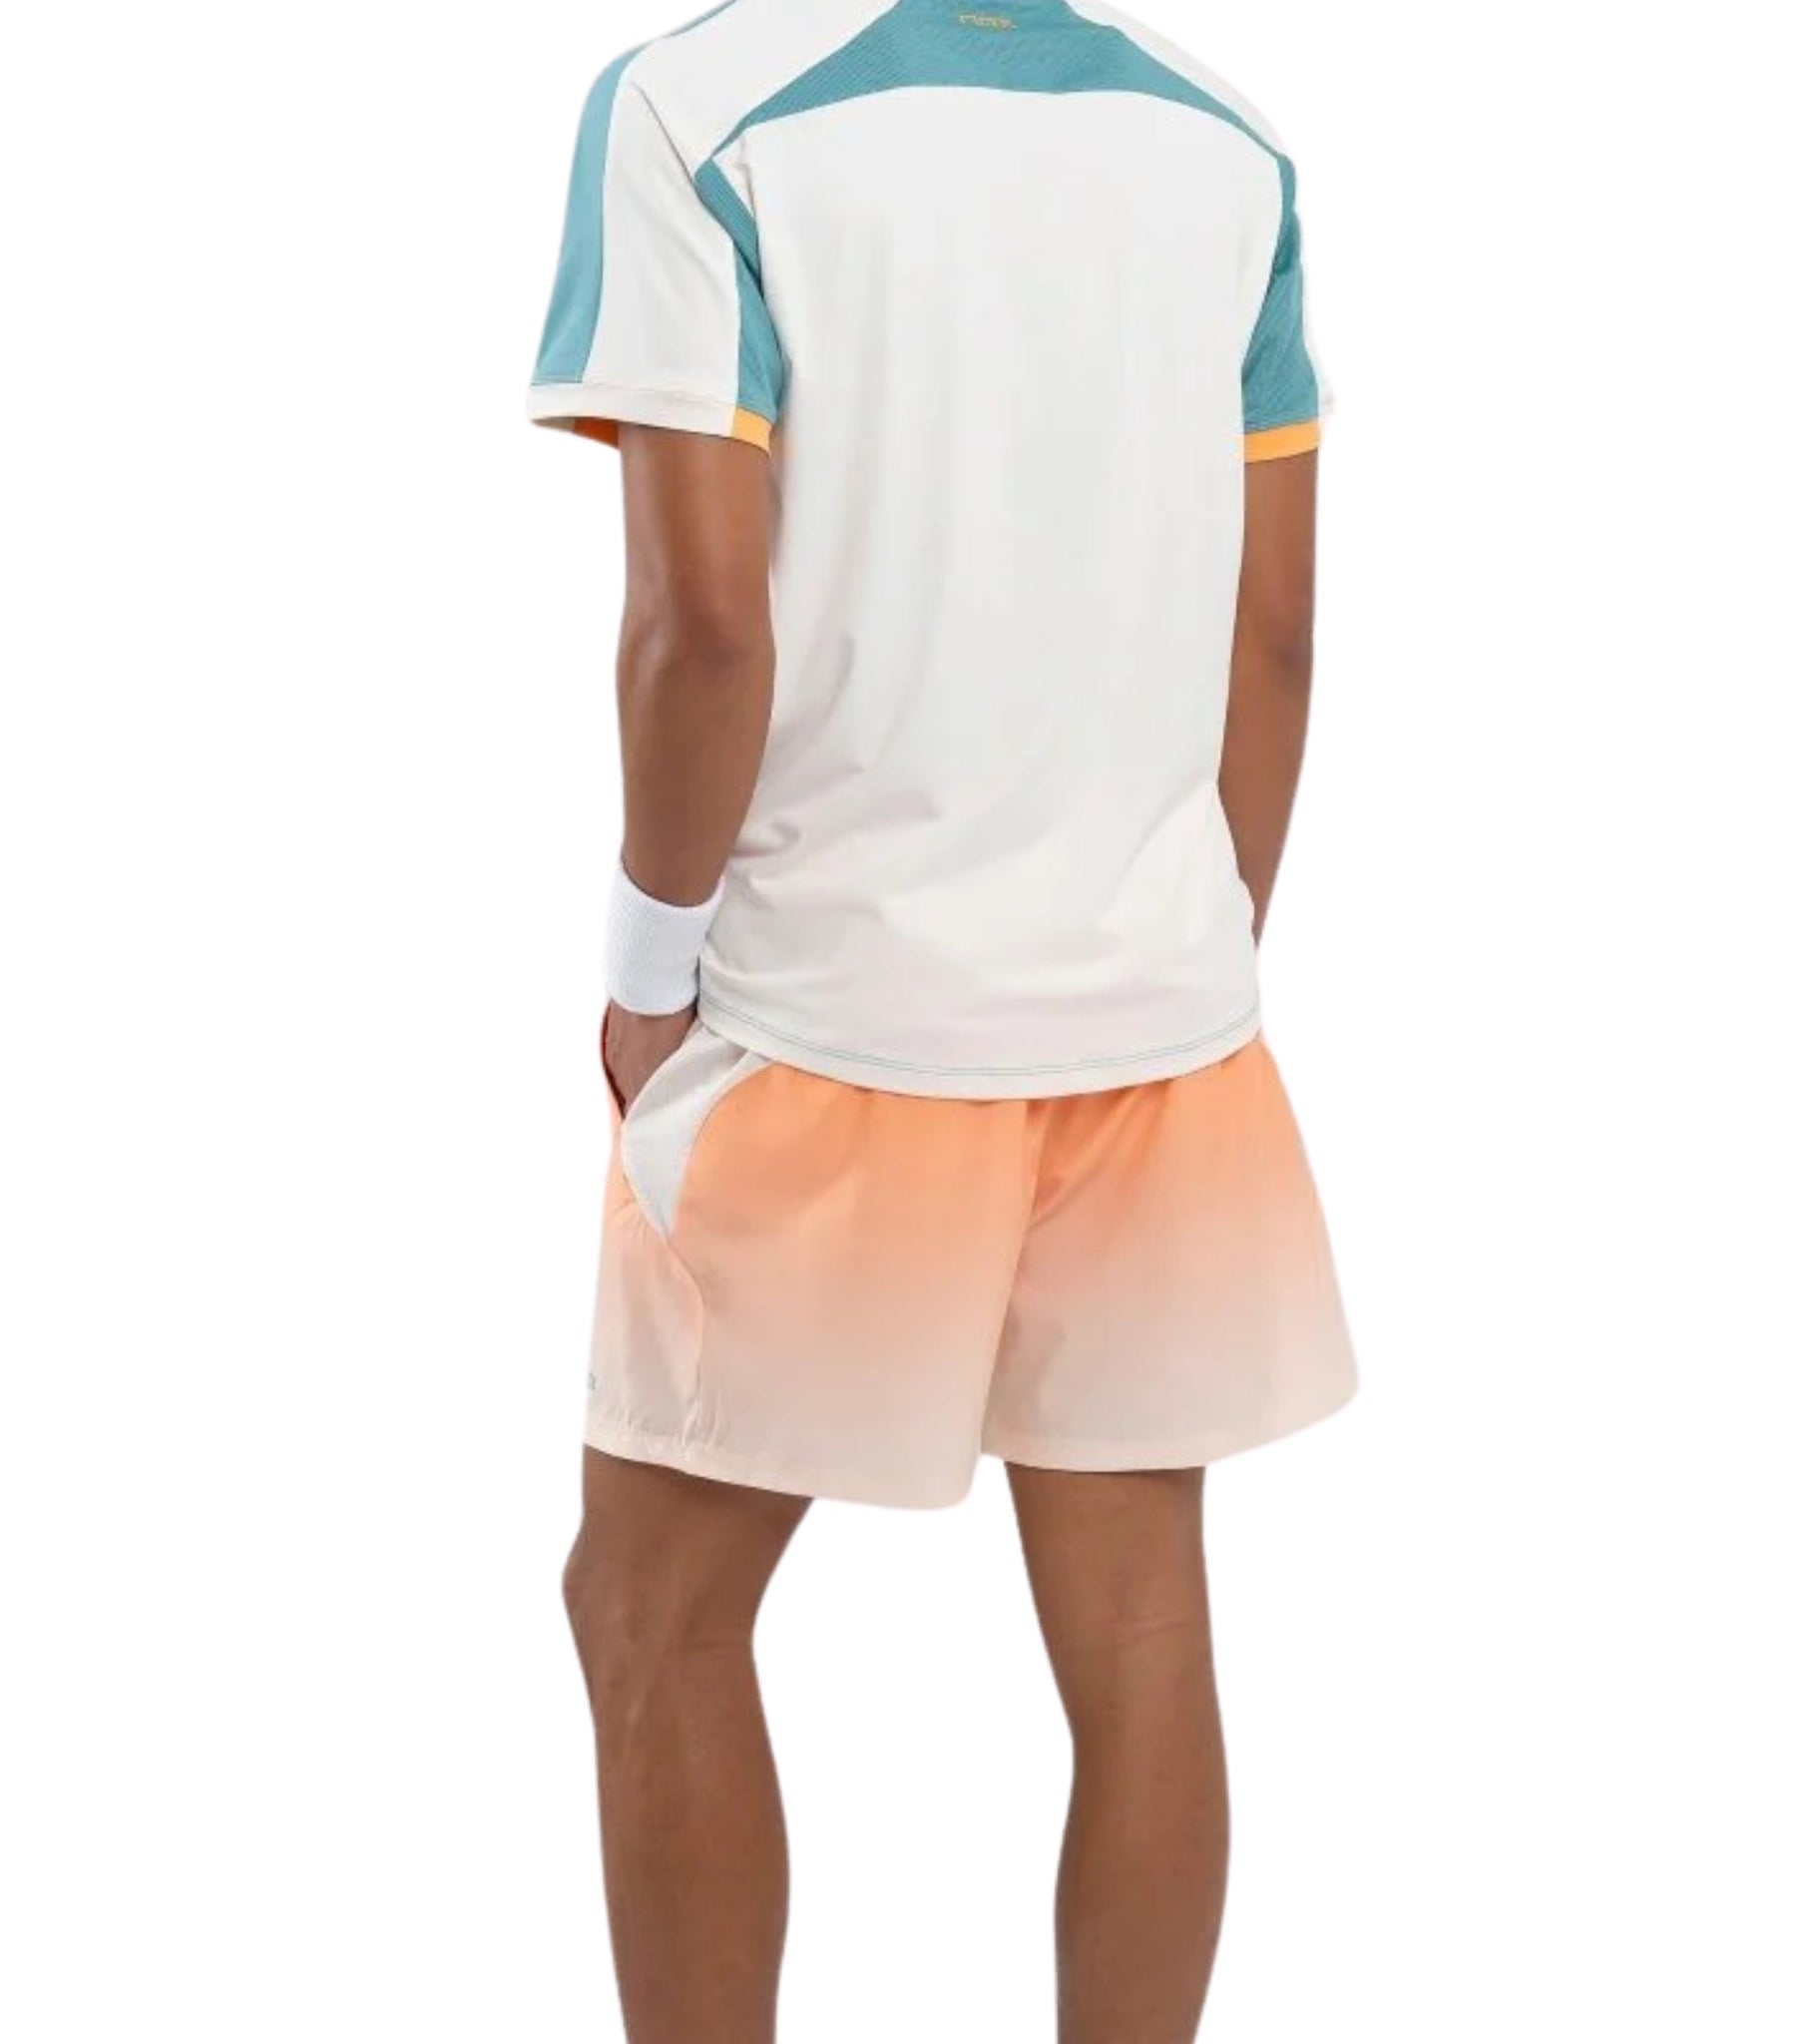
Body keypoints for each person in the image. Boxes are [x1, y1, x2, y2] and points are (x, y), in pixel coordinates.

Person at [528, 1, 1353, 2036]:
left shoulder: (693, 115)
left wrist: (645, 976)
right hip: (1159, 1037)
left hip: (832, 1022)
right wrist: (1180, 937)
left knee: (648, 1606)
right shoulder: (1224, 141)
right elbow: (1273, 632)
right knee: (1140, 1635)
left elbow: (700, 631)